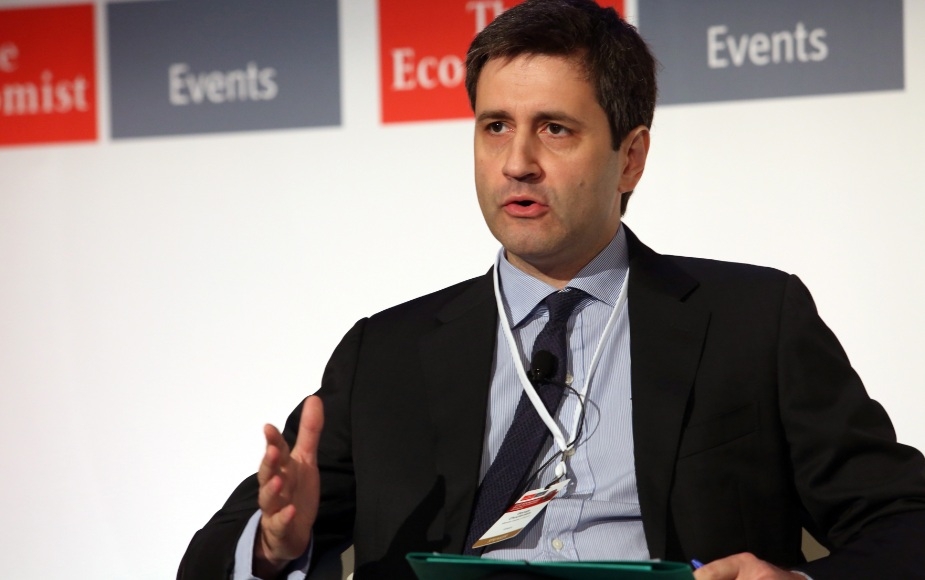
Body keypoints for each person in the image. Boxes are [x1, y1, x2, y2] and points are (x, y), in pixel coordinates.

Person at [178, 1, 925, 578]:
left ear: (630, 157)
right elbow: (209, 560)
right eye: (495, 127)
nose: (517, 162)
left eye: (555, 129)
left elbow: (905, 519)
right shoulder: (386, 354)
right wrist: (273, 545)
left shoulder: (752, 322)